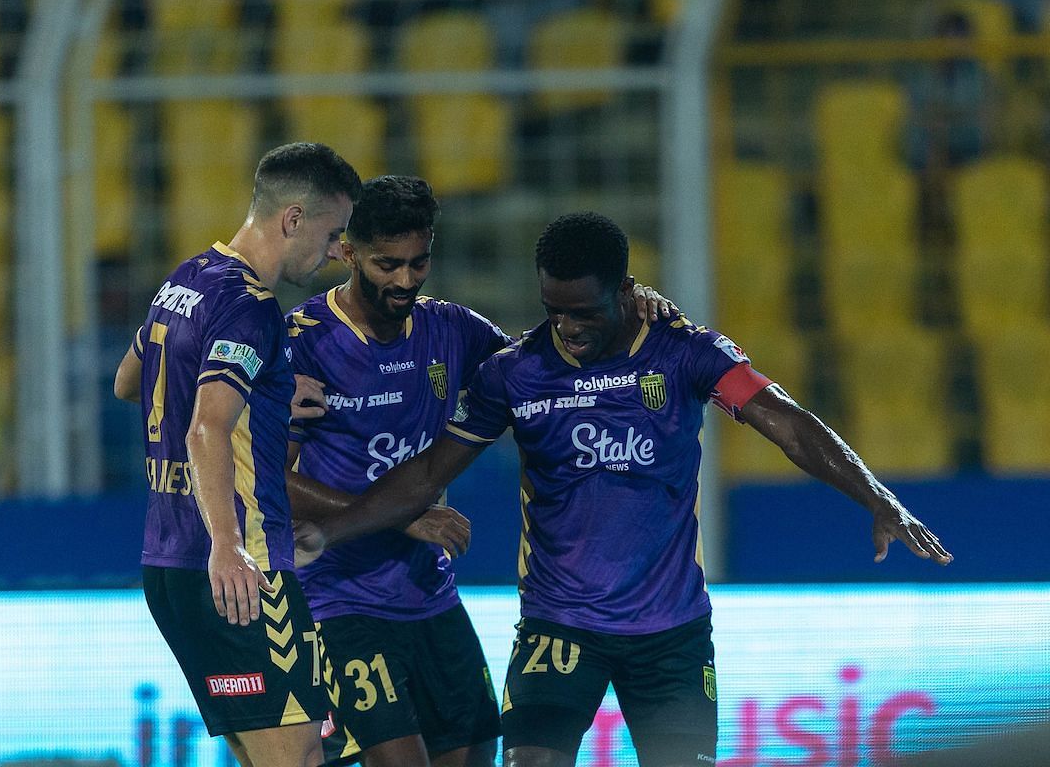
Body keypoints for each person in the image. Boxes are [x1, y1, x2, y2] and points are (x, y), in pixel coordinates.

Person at [306, 211, 954, 767]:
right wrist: (331, 530)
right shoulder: (515, 374)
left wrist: (878, 498)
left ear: (626, 290)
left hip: (669, 637)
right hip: (559, 627)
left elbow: (783, 420)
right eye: (554, 312)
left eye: (584, 313)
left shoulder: (684, 353)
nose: (569, 329)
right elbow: (425, 474)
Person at [283, 181, 676, 767]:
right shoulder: (301, 344)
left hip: (430, 599)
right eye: (387, 264)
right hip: (337, 600)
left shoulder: (453, 329)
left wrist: (625, 303)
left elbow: (546, 372)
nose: (405, 279)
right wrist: (404, 517)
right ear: (347, 252)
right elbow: (267, 479)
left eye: (419, 263)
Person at [112, 142, 366, 767]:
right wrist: (228, 544)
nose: (338, 251)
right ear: (293, 219)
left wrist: (270, 389)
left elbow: (128, 381)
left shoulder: (188, 278)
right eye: (334, 233)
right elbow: (207, 430)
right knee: (302, 756)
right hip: (240, 565)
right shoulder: (252, 309)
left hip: (167, 561)